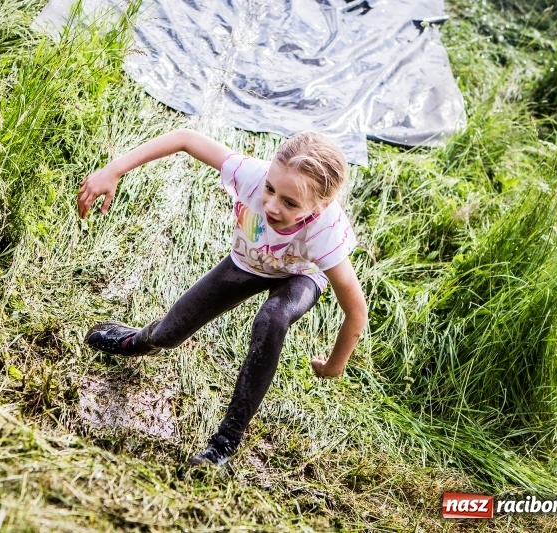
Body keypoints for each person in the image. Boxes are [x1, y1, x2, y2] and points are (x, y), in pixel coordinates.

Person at [76, 128, 368, 466]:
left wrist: (334, 365)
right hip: (248, 262)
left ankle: (225, 443)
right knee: (169, 335)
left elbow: (355, 309)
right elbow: (185, 139)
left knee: (272, 319)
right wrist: (114, 169)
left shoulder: (323, 232)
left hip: (300, 274)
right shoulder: (251, 175)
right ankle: (136, 341)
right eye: (270, 189)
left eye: (289, 203)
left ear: (322, 205)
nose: (271, 205)